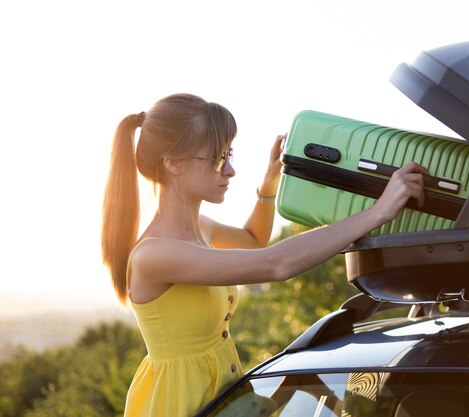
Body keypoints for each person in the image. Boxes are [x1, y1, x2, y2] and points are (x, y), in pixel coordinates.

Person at [101, 93, 427, 417]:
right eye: (217, 158)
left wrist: (269, 183)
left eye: (229, 154)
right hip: (179, 405)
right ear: (173, 163)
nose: (230, 170)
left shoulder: (200, 228)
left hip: (223, 402)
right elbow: (276, 263)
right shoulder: (156, 255)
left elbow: (253, 240)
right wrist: (378, 212)